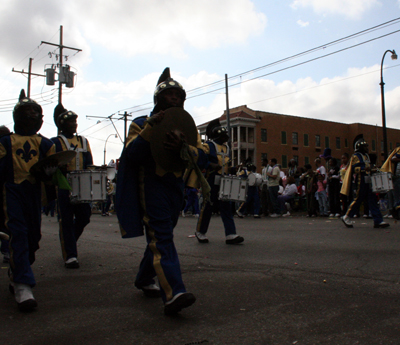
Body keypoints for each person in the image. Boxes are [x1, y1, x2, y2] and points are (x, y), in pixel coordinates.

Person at [116, 67, 207, 315]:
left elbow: (203, 156)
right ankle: (174, 292)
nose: (175, 98)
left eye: (179, 95)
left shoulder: (189, 128)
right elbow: (132, 155)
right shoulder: (139, 123)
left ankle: (144, 277)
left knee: (161, 235)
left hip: (175, 186)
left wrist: (186, 147)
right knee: (162, 236)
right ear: (158, 99)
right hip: (151, 184)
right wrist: (150, 129)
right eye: (170, 94)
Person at [0, 90, 56, 311]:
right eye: (28, 111)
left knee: (33, 237)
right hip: (11, 192)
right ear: (17, 116)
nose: (32, 115)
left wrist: (51, 172)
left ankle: (18, 270)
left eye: (36, 111)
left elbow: (53, 175)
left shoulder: (46, 144)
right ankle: (24, 284)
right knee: (19, 233)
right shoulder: (5, 141)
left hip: (34, 194)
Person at [51, 104, 93, 268]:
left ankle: (69, 241)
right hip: (64, 185)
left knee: (84, 217)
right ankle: (70, 255)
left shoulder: (83, 140)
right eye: (71, 122)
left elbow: (89, 162)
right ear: (62, 125)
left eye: (75, 121)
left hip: (82, 184)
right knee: (66, 220)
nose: (75, 124)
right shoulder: (55, 142)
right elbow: (51, 164)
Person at [195, 119, 244, 244]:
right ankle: (200, 232)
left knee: (226, 206)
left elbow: (226, 165)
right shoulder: (208, 145)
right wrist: (211, 164)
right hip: (211, 179)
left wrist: (233, 169)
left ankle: (231, 234)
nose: (226, 138)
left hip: (224, 180)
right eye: (223, 136)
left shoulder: (226, 148)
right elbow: (200, 160)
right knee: (208, 206)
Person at [341, 135, 389, 229]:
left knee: (372, 200)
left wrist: (373, 169)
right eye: (365, 146)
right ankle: (346, 216)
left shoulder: (366, 156)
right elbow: (355, 168)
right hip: (360, 181)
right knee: (358, 199)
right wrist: (365, 169)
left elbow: (368, 167)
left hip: (368, 180)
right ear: (360, 147)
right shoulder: (356, 156)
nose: (367, 148)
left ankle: (378, 220)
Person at [380, 145, 400, 218]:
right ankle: (393, 211)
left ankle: (395, 212)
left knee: (396, 196)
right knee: (393, 195)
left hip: (397, 177)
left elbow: (393, 158)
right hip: (395, 177)